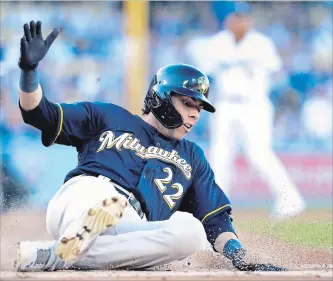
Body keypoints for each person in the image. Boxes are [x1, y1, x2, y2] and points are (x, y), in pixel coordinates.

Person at [15, 20, 286, 272]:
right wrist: (29, 72)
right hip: (83, 195)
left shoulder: (192, 157)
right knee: (98, 198)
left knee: (192, 234)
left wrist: (241, 257)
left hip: (130, 225)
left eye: (200, 108)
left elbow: (215, 222)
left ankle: (55, 254)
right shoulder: (109, 116)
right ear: (162, 97)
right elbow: (39, 113)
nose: (195, 114)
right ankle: (76, 237)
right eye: (188, 103)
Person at [187, 2, 306, 219]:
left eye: (242, 17)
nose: (239, 21)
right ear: (227, 20)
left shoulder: (261, 43)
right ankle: (216, 206)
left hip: (254, 105)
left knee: (259, 153)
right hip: (224, 104)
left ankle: (290, 198)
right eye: (234, 17)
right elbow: (205, 71)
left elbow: (276, 71)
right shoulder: (217, 43)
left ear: (248, 20)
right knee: (220, 155)